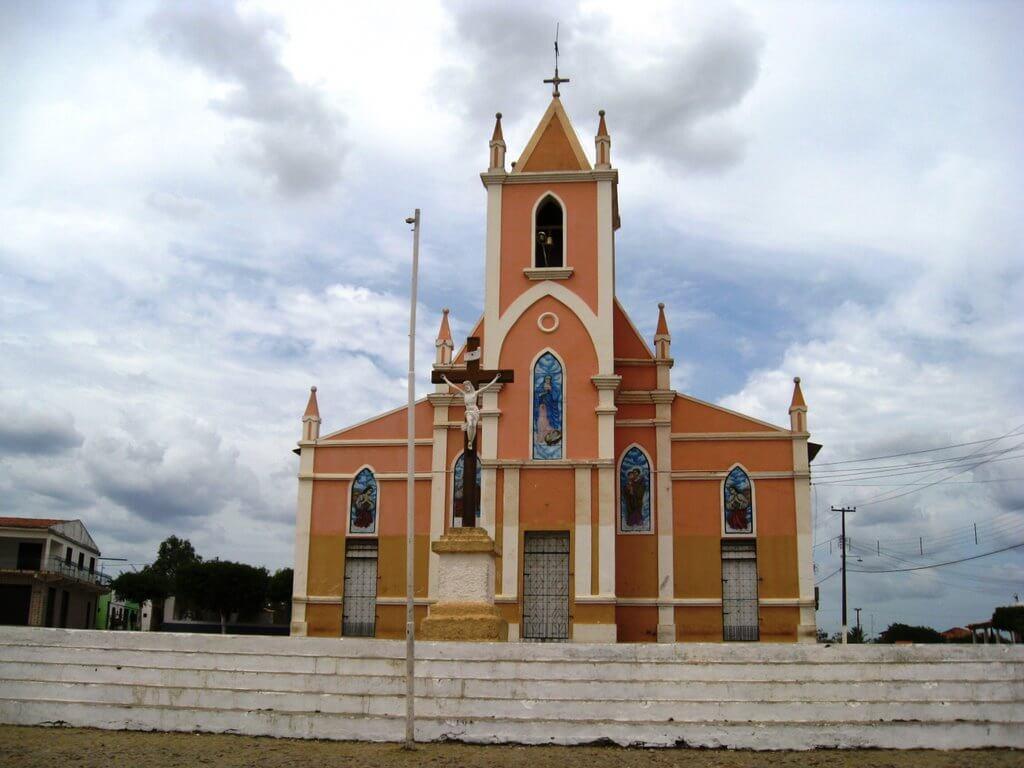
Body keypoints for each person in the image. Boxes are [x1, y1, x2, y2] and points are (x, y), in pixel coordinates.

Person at [442, 373, 500, 450]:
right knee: (470, 424)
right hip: (468, 412)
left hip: (475, 411)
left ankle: (471, 441)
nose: (466, 388)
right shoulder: (464, 394)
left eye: (467, 386)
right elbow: (453, 386)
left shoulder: (475, 393)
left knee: (473, 426)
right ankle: (469, 441)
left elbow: (487, 386)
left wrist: (496, 378)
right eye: (465, 387)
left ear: (470, 386)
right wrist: (445, 379)